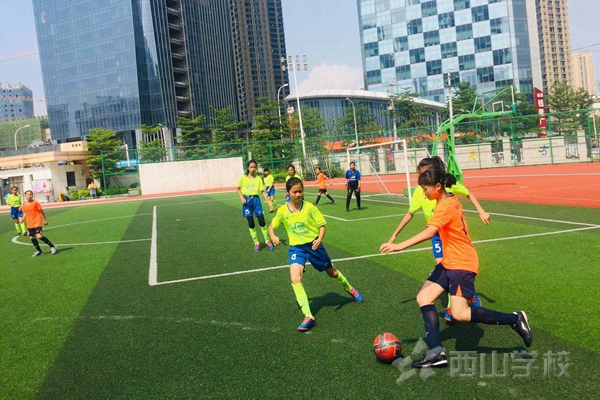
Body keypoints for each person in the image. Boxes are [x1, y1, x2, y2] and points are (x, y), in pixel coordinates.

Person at [379, 169, 532, 368]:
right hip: (449, 261)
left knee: (460, 313)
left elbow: (430, 232)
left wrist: (399, 246)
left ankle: (514, 319)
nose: (423, 192)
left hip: (461, 263)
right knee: (424, 297)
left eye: (425, 189)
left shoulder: (446, 205)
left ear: (438, 186)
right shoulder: (446, 200)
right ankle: (436, 352)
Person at [385, 156, 490, 323]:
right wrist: (395, 233)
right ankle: (457, 302)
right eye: (421, 173)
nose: (423, 177)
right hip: (436, 235)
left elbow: (468, 193)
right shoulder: (421, 191)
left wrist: (481, 211)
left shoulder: (447, 186)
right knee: (443, 266)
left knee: (451, 269)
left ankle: (457, 303)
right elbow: (410, 213)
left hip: (448, 234)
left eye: (426, 173)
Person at [269, 177, 363, 332]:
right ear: (288, 193)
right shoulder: (282, 211)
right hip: (296, 249)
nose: (298, 195)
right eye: (294, 192)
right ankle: (308, 316)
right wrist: (273, 236)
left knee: (332, 273)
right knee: (295, 279)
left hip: (314, 246)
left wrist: (319, 239)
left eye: (300, 191)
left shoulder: (310, 207)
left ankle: (350, 288)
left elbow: (322, 226)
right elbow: (271, 226)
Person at [237, 160, 274, 252]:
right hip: (247, 202)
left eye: (254, 167)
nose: (253, 169)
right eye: (251, 167)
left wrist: (269, 202)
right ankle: (256, 243)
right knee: (251, 223)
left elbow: (263, 191)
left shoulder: (258, 179)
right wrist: (242, 198)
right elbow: (238, 189)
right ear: (248, 168)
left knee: (262, 221)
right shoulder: (243, 178)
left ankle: (267, 241)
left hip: (256, 200)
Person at [20, 190, 57, 257]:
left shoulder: (35, 203)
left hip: (37, 222)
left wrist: (45, 220)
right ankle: (39, 251)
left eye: (31, 194)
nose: (29, 196)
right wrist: (23, 218)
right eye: (28, 195)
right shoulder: (24, 204)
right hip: (30, 224)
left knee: (39, 236)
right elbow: (25, 213)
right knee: (32, 237)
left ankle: (52, 246)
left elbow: (41, 211)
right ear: (25, 196)